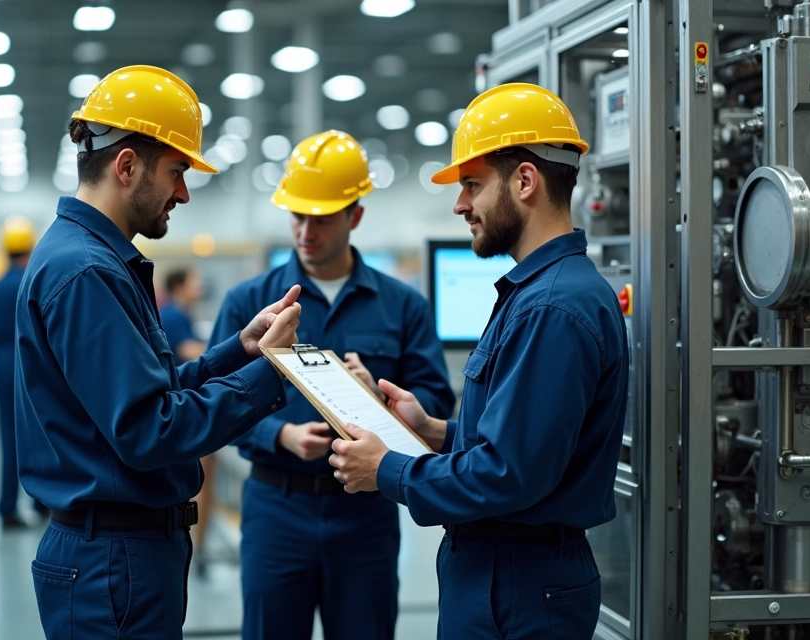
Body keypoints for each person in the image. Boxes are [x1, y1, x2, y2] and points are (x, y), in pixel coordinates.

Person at [328, 84, 630, 640]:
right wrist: (435, 431)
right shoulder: (538, 293)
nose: (460, 204)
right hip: (504, 571)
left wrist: (386, 469)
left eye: (471, 184)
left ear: (524, 182)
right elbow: (516, 443)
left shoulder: (552, 307)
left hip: (518, 580)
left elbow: (510, 474)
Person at [13, 65, 303, 639]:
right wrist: (272, 375)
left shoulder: (96, 260)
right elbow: (150, 430)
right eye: (176, 171)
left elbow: (152, 392)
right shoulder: (86, 271)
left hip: (121, 552)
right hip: (112, 561)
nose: (184, 192)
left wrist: (239, 351)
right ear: (126, 166)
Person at [209, 130, 455, 640]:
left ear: (355, 217)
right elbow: (216, 405)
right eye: (297, 216)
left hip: (364, 514)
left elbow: (434, 398)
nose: (305, 231)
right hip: (277, 510)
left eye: (320, 219)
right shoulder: (249, 302)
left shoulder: (403, 305)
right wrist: (280, 436)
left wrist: (381, 400)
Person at [0, 216, 45, 528]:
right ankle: (41, 501)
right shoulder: (31, 283)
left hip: (0, 362)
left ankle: (7, 507)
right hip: (28, 362)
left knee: (7, 435)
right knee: (39, 433)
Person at [158, 267, 217, 569]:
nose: (200, 283)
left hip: (188, 400)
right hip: (185, 404)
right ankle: (198, 546)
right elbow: (188, 350)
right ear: (179, 285)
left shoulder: (183, 313)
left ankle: (200, 543)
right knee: (200, 478)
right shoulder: (172, 315)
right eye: (194, 279)